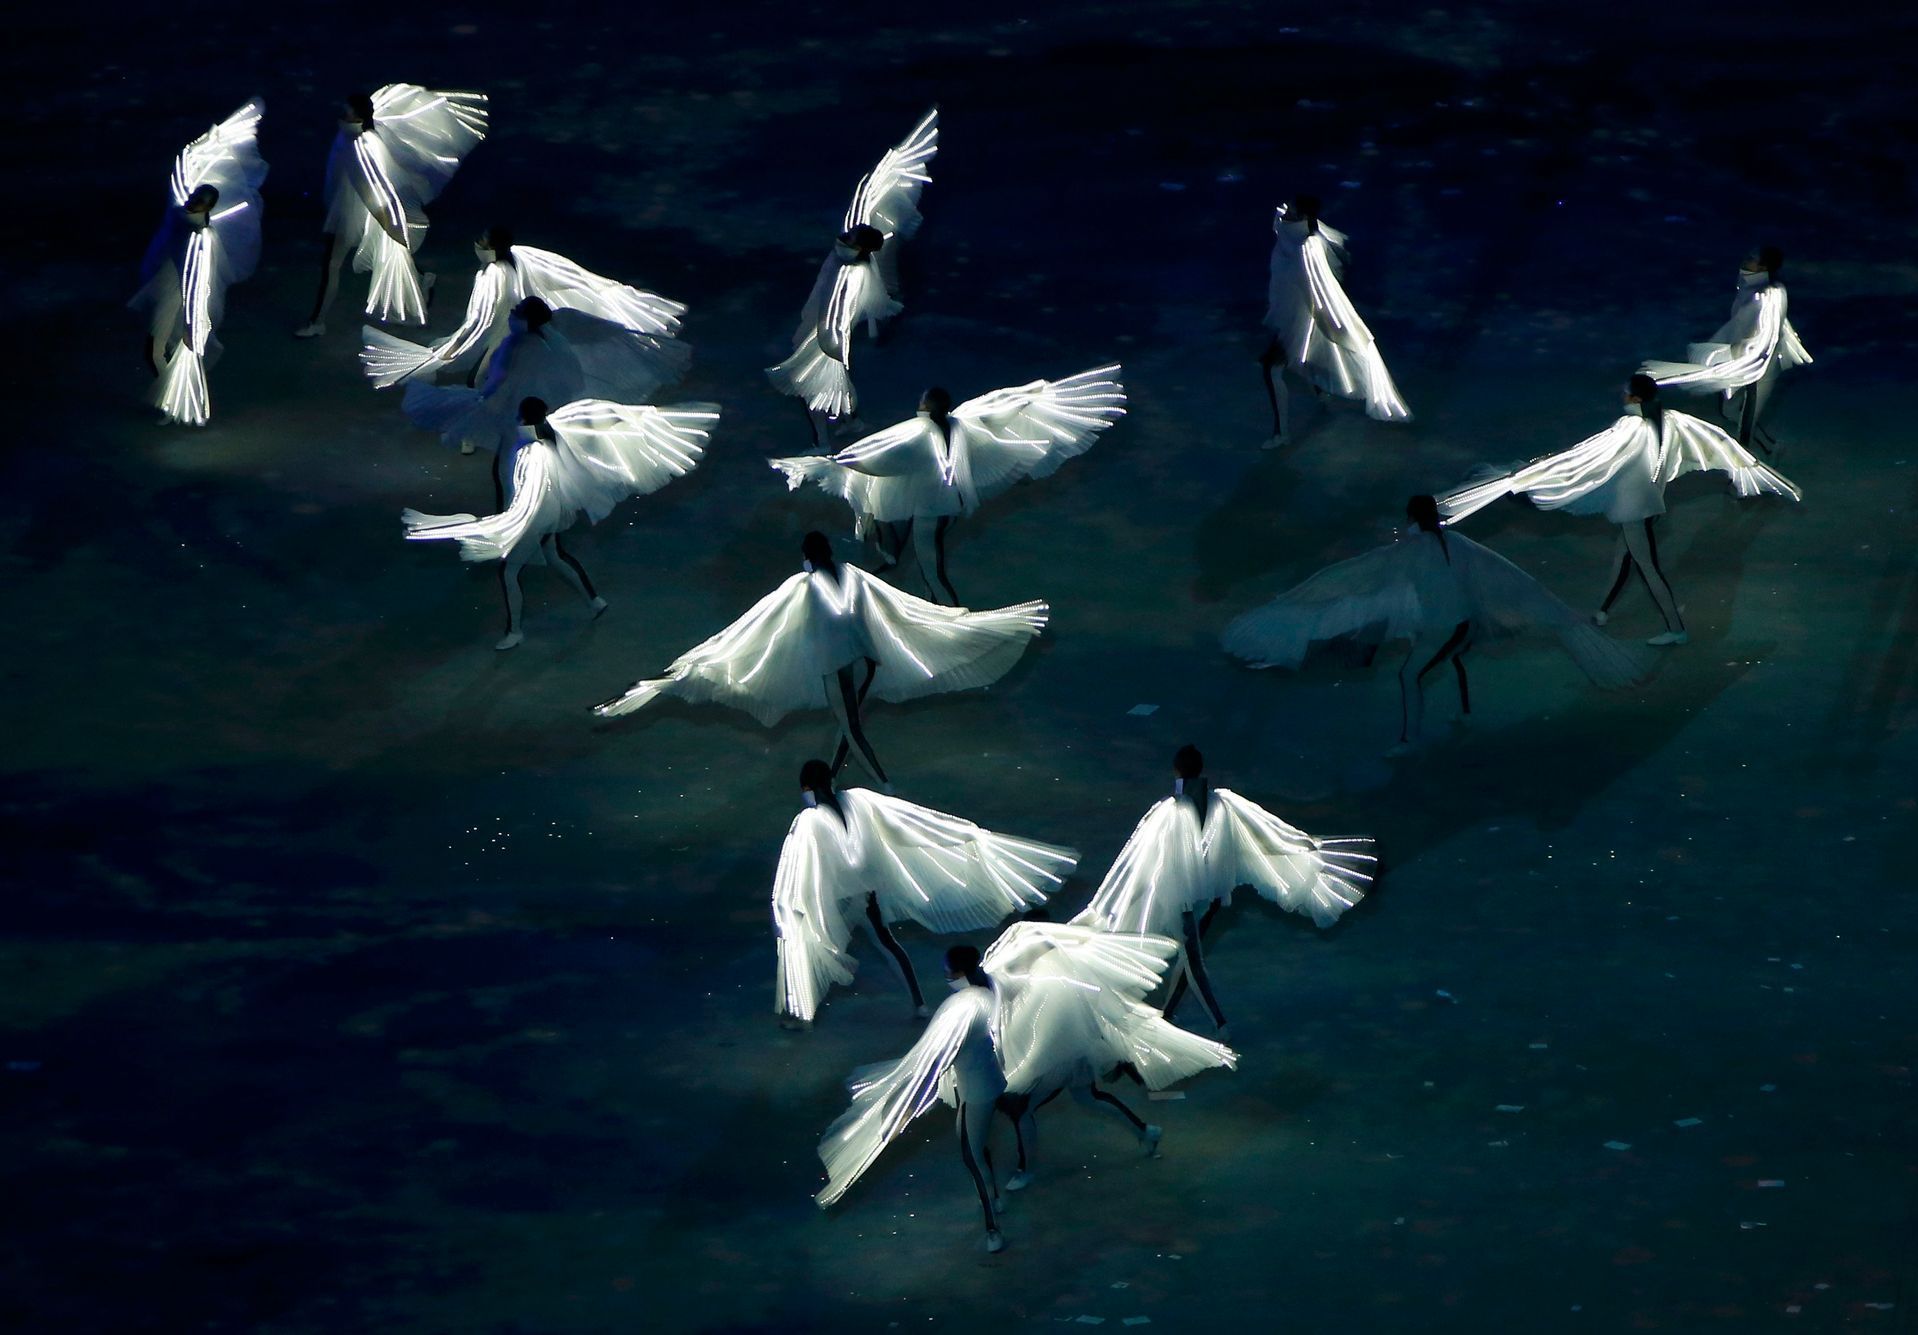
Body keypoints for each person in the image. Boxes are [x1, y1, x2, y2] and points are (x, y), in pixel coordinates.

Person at [815, 927, 1235, 1252]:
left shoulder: (966, 1004)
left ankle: (1000, 1211)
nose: (944, 979)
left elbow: (941, 1055)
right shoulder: (999, 980)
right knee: (1083, 1096)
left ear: (958, 973)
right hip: (1034, 1059)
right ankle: (1142, 1132)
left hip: (999, 1079)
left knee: (984, 1140)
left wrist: (907, 1102)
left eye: (947, 973)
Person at [592, 532, 1049, 786]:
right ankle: (835, 777)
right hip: (866, 662)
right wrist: (947, 620)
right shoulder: (850, 573)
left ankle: (883, 784)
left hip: (842, 667)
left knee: (850, 726)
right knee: (848, 726)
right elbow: (898, 606)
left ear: (807, 557)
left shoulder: (804, 585)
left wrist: (706, 655)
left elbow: (755, 624)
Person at [1223, 496, 1653, 755]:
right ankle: (1463, 712)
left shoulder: (1415, 550)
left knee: (1411, 674)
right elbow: (1507, 576)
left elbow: (1360, 573)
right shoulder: (1456, 543)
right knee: (1456, 657)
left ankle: (1409, 740)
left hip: (1446, 625)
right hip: (1461, 623)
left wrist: (1311, 596)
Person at [1436, 375, 1800, 647]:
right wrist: (1746, 463)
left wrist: (1544, 468)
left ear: (1637, 397)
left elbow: (1591, 453)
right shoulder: (1671, 420)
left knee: (1646, 565)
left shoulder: (1631, 426)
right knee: (1623, 559)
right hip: (1647, 502)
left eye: (1626, 393)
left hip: (1635, 507)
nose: (1622, 397)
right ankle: (1603, 612)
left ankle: (1675, 627)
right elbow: (1712, 437)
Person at [1074, 745, 1374, 1034]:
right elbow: (1263, 827)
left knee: (1191, 958)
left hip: (1182, 896)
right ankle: (1171, 1014)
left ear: (1176, 770)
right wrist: (1296, 842)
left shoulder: (1170, 810)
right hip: (1210, 891)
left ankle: (1218, 1022)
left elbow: (1141, 859)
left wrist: (1116, 899)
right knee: (1189, 957)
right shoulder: (1221, 801)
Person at [770, 365, 1125, 603]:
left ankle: (949, 617)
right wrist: (1031, 396)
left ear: (926, 407)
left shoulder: (921, 436)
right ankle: (916, 583)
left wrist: (837, 463)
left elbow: (882, 459)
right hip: (945, 504)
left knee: (931, 565)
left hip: (933, 507)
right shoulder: (961, 421)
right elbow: (1002, 404)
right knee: (920, 553)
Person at [771, 760, 1077, 1026]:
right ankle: (917, 1003)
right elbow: (907, 819)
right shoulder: (857, 799)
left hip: (846, 900)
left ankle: (803, 1010)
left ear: (809, 787)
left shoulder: (810, 821)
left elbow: (801, 866)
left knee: (814, 943)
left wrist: (789, 905)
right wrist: (959, 833)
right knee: (884, 945)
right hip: (866, 895)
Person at [402, 395, 717, 648]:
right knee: (554, 556)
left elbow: (528, 493)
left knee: (509, 570)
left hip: (538, 516)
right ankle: (594, 601)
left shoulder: (531, 449)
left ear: (522, 417)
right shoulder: (551, 435)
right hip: (551, 514)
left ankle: (515, 631)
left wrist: (514, 521)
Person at [767, 108, 938, 441]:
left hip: (823, 338)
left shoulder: (851, 271)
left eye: (852, 237)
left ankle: (825, 439)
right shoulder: (849, 250)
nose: (846, 235)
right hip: (821, 329)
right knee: (826, 386)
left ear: (859, 248)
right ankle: (848, 421)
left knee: (810, 388)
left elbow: (835, 312)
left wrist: (831, 348)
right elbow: (869, 189)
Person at [360, 226, 687, 391]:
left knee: (485, 377)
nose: (476, 247)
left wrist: (453, 347)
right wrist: (603, 285)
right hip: (517, 329)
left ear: (488, 250)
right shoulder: (522, 257)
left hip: (508, 332)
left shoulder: (493, 276)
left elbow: (480, 321)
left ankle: (474, 432)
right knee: (493, 377)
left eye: (480, 244)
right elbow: (565, 272)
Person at [294, 85, 488, 336]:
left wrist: (391, 225)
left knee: (336, 263)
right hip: (352, 207)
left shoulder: (360, 146)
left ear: (359, 117)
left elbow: (372, 190)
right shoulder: (354, 137)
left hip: (359, 211)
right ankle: (422, 278)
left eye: (347, 112)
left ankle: (317, 322)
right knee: (350, 260)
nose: (342, 115)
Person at [130, 99, 268, 425]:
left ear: (207, 208)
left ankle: (171, 403)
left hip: (176, 292)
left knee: (156, 347)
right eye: (194, 199)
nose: (191, 203)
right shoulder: (184, 213)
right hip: (168, 283)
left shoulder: (200, 238)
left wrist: (194, 324)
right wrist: (205, 145)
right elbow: (181, 174)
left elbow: (197, 280)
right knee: (158, 348)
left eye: (198, 202)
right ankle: (172, 400)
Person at [1259, 194, 1410, 447]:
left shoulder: (1307, 246)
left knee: (1272, 367)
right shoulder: (1296, 233)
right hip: (1295, 313)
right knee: (1306, 356)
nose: (1287, 214)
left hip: (1301, 316)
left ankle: (1281, 434)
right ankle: (1320, 396)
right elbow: (1282, 231)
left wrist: (1330, 324)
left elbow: (1316, 289)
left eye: (1292, 211)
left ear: (1304, 216)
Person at [1641, 246, 1810, 450]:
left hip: (1759, 367)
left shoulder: (1771, 294)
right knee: (1730, 411)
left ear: (1763, 266)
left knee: (1745, 423)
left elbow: (1768, 335)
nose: (1745, 260)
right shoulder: (1748, 286)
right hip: (1740, 359)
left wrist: (1744, 358)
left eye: (1751, 258)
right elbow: (1738, 325)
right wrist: (1720, 351)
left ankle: (1749, 466)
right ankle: (1767, 445)